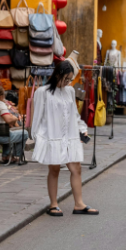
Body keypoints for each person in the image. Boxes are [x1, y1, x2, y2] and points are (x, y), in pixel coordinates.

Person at [30, 61, 99, 217]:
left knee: (76, 169)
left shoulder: (69, 91)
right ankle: (53, 204)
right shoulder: (42, 92)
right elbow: (37, 117)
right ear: (58, 75)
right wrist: (37, 138)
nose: (68, 82)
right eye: (66, 79)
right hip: (51, 137)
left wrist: (82, 130)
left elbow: (74, 113)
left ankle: (79, 204)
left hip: (69, 136)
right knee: (54, 169)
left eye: (70, 79)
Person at [0, 85, 29, 164]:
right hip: (1, 137)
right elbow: (8, 120)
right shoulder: (0, 105)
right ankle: (16, 156)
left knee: (10, 132)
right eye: (4, 95)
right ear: (1, 96)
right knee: (25, 133)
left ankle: (6, 155)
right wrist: (16, 118)